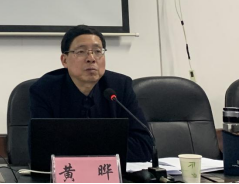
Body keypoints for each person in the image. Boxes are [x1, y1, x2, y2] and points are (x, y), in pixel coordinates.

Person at [29, 25, 153, 163]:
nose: (91, 58)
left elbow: (144, 146)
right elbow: (42, 150)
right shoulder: (44, 90)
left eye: (97, 51)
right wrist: (107, 147)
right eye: (81, 52)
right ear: (64, 60)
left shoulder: (120, 87)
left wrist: (78, 147)